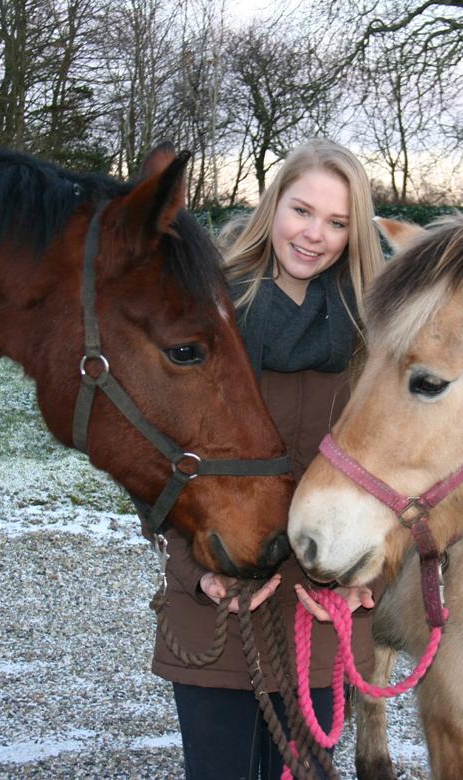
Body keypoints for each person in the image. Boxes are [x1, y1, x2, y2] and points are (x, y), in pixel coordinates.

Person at [148, 139, 387, 780]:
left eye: (336, 222)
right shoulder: (202, 315)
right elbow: (159, 462)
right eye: (302, 211)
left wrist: (371, 578)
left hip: (322, 613)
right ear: (273, 204)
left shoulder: (376, 334)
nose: (314, 235)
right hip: (220, 606)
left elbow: (399, 480)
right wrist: (196, 573)